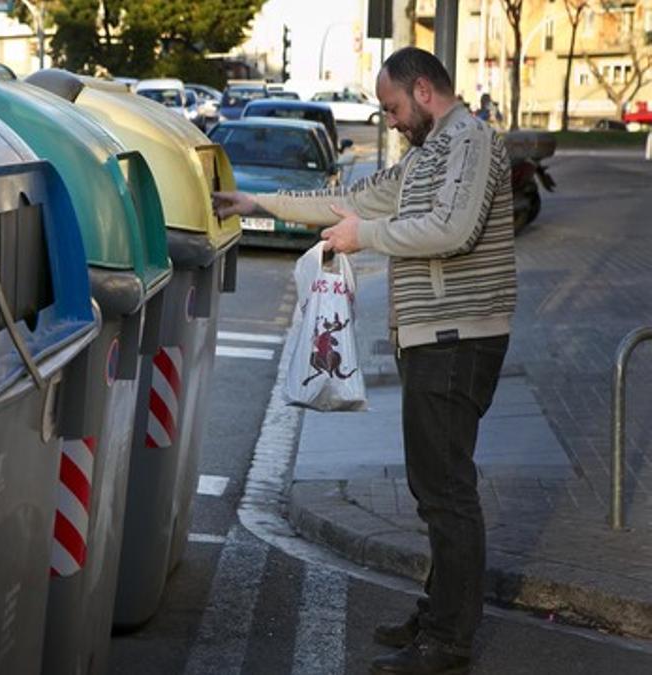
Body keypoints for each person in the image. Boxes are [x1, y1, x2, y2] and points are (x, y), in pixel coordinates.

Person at [214, 47, 516, 675]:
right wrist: (256, 204)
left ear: (425, 90)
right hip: (432, 338)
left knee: (446, 490)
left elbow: (450, 229)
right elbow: (349, 202)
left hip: (458, 339)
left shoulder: (473, 142)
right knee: (433, 486)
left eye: (394, 108)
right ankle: (438, 616)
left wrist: (366, 238)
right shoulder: (427, 155)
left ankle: (448, 642)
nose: (391, 121)